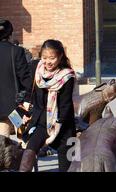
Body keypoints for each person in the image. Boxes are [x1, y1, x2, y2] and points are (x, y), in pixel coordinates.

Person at [19, 39, 76, 172]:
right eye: (44, 57)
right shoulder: (36, 68)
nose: (47, 62)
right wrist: (26, 112)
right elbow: (29, 91)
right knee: (29, 152)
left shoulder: (67, 76)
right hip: (40, 122)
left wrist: (56, 128)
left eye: (52, 58)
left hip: (63, 124)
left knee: (70, 164)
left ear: (60, 56)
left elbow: (65, 105)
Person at [0, 19, 31, 138]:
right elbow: (25, 78)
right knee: (19, 131)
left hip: (7, 107)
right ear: (10, 34)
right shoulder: (16, 51)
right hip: (10, 106)